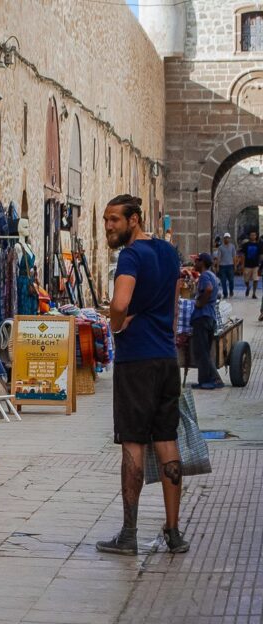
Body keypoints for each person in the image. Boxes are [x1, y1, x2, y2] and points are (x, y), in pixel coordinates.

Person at [97, 194, 189, 555]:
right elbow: (173, 303)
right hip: (166, 359)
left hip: (136, 360)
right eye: (105, 220)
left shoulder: (130, 256)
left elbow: (119, 304)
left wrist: (116, 324)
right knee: (167, 439)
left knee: (133, 441)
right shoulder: (168, 252)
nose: (108, 226)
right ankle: (173, 530)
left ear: (134, 220)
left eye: (114, 220)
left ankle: (129, 533)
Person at [191, 253, 223, 390]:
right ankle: (213, 379)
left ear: (202, 262)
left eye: (196, 261)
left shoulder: (204, 276)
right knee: (204, 351)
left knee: (201, 351)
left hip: (202, 317)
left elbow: (208, 289)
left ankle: (206, 381)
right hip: (209, 317)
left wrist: (200, 303)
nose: (194, 264)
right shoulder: (212, 275)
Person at [239, 231, 261, 298]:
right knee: (246, 280)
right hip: (247, 265)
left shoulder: (258, 245)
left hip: (256, 265)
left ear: (256, 236)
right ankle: (248, 287)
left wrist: (260, 264)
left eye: (254, 235)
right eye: (251, 235)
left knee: (256, 279)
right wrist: (242, 264)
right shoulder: (246, 245)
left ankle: (254, 293)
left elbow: (261, 255)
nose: (253, 236)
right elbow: (243, 255)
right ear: (249, 236)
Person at [217, 232, 236, 298]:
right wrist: (217, 266)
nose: (227, 239)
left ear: (229, 239)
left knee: (231, 280)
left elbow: (234, 256)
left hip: (230, 265)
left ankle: (231, 291)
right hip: (222, 266)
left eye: (228, 238)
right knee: (223, 281)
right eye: (225, 238)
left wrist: (235, 265)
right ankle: (225, 293)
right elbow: (219, 257)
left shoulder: (232, 247)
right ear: (224, 239)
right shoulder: (220, 247)